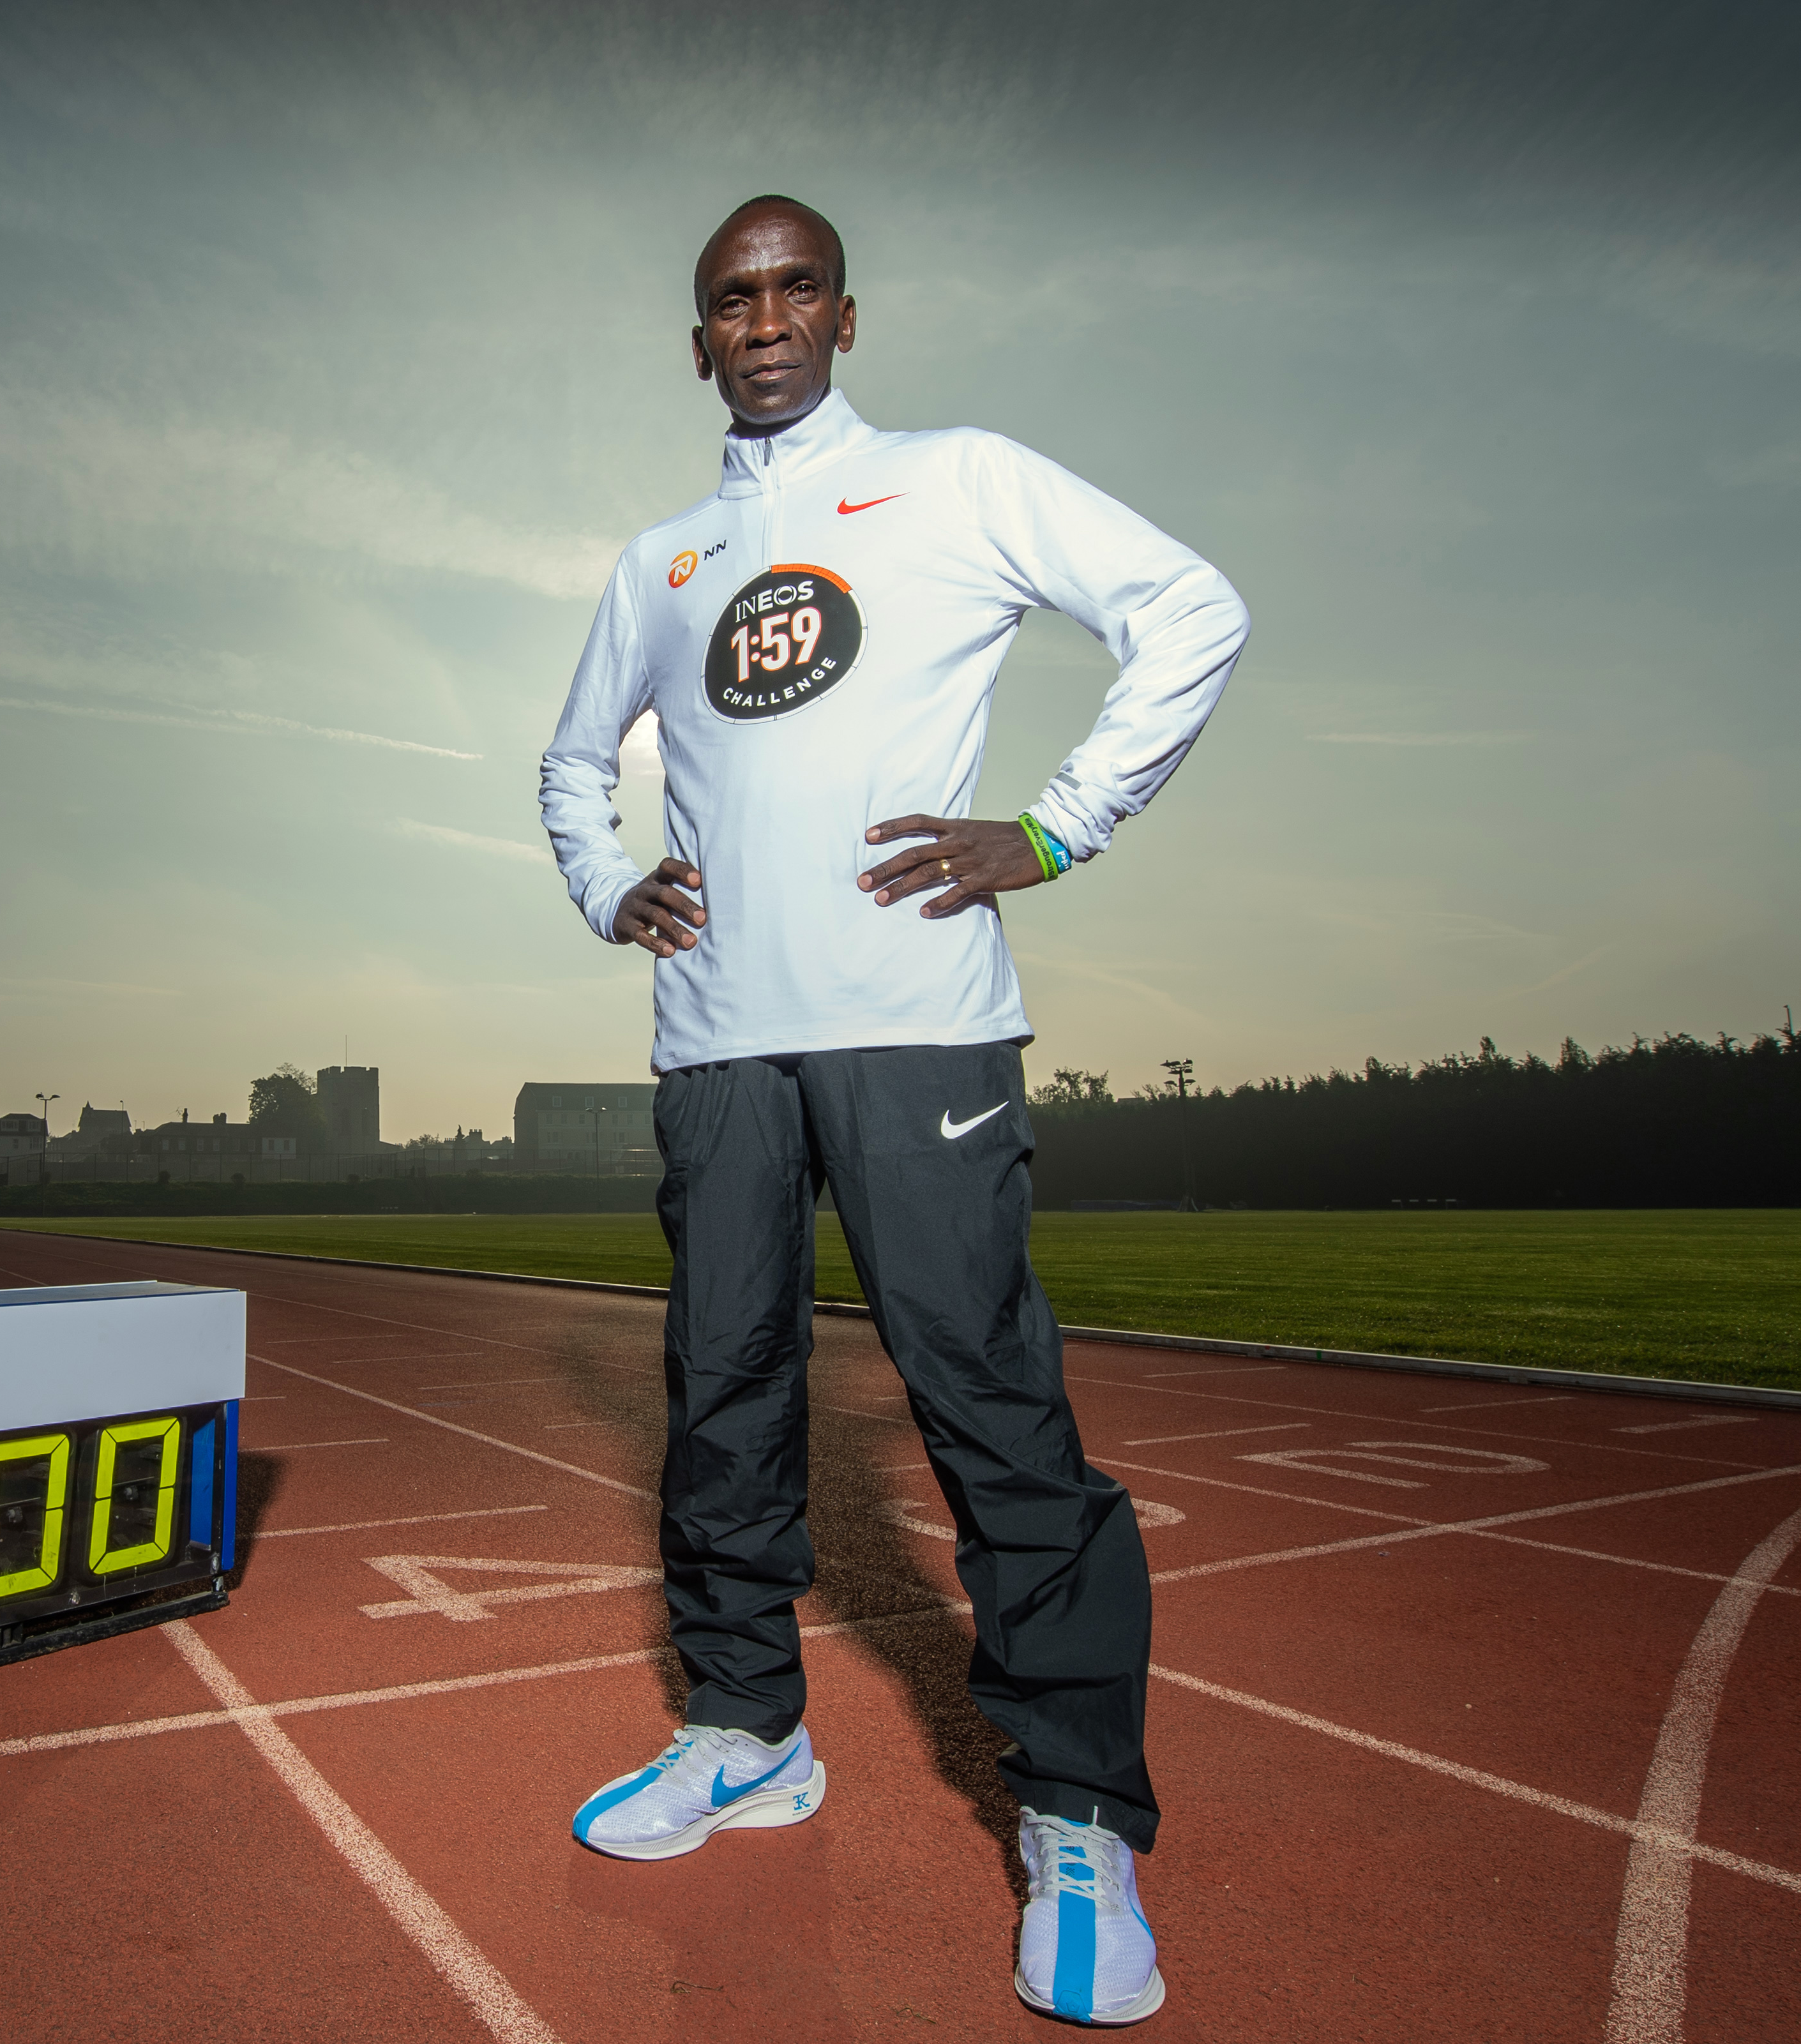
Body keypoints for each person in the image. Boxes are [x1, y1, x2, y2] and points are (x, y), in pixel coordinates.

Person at [539, 195, 1246, 2028]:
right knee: (720, 1403)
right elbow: (563, 759)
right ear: (697, 341)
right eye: (727, 301)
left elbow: (1190, 607)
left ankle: (1077, 1812)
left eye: (789, 290)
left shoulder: (956, 482)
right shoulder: (663, 564)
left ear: (842, 316)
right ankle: (742, 1728)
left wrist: (1057, 825)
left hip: (915, 1032)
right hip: (713, 1049)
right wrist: (607, 883)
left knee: (990, 1410)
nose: (760, 320)